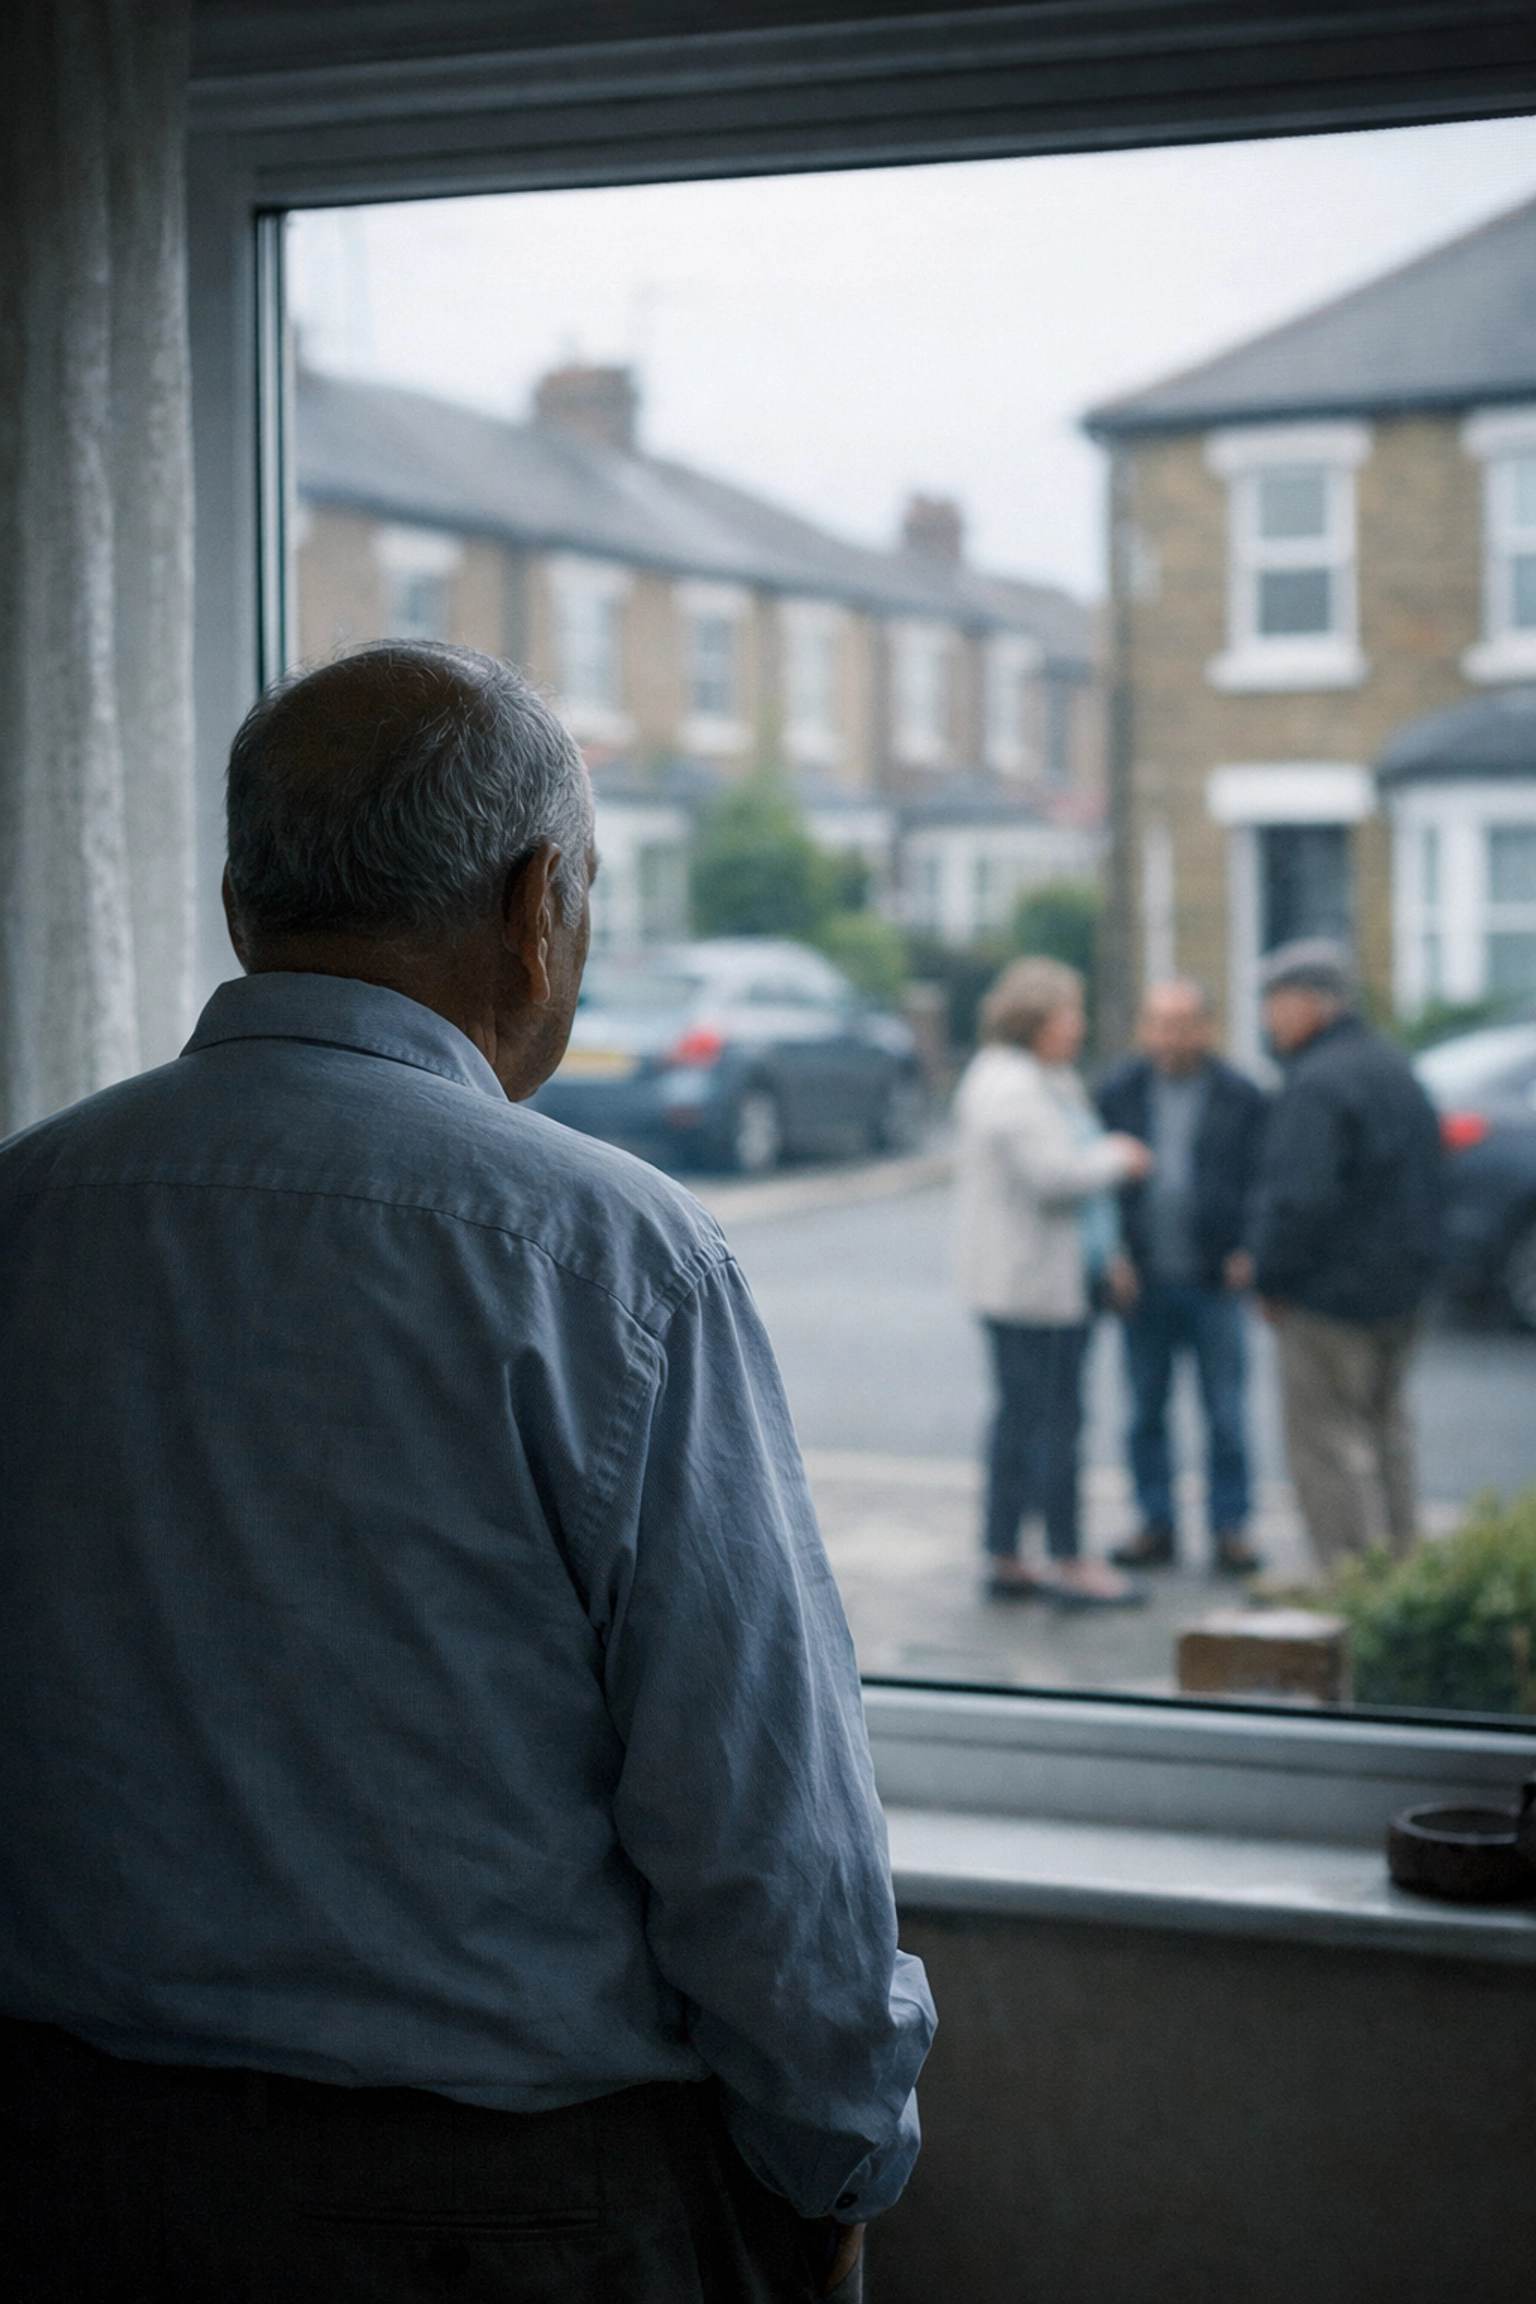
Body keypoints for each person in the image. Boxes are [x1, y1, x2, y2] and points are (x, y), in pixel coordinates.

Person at [0, 643, 933, 2303]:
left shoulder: (29, 1205)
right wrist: (835, 2160)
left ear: (239, 904)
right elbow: (759, 1827)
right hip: (501, 2217)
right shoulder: (608, 1257)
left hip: (65, 2167)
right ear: (540, 904)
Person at [953, 955, 1154, 1606]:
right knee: (1049, 1425)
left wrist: (1111, 1256)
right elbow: (1055, 1176)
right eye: (1069, 1013)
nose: (1080, 1024)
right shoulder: (1012, 1087)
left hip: (1043, 1283)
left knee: (1023, 1421)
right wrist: (1120, 1157)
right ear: (1034, 1020)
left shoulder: (1040, 1076)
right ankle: (1064, 1561)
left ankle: (1008, 1554)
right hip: (1032, 1290)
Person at [1251, 937, 1446, 1568]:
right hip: (1403, 1292)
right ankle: (1403, 1572)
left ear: (1314, 1002)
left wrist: (1269, 1277)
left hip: (1328, 1297)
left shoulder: (1316, 1082)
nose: (1267, 1020)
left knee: (1324, 1444)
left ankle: (1346, 1580)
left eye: (1275, 1003)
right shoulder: (1396, 1066)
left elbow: (1299, 1199)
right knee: (1389, 1435)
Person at [1096, 979, 1269, 1576]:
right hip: (1142, 1280)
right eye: (1158, 1022)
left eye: (1181, 1022)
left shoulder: (1241, 1094)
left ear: (1206, 1027)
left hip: (1213, 1279)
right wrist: (1111, 1254)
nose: (1168, 1035)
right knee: (1146, 1410)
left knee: (1225, 1411)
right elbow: (1098, 1185)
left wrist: (1250, 1248)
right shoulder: (1118, 1089)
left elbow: (1262, 1181)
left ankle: (1230, 1528)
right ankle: (1155, 1524)